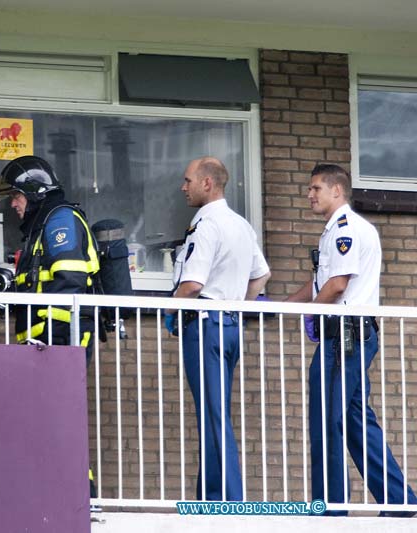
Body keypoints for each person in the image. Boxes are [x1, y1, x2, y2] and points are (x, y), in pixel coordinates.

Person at [286, 163, 417, 516]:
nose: (309, 195)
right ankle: (401, 503)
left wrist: (313, 312)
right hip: (347, 335)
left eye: (316, 188)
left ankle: (329, 510)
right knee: (355, 421)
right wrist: (284, 306)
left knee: (326, 421)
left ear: (337, 191)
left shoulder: (346, 229)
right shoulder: (333, 231)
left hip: (344, 336)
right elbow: (320, 284)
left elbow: (338, 284)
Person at [166, 157, 270, 501]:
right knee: (215, 412)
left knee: (213, 415)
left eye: (188, 180)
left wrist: (172, 310)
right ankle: (210, 497)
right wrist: (238, 306)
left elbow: (193, 283)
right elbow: (261, 275)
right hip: (228, 325)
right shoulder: (240, 224)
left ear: (207, 183)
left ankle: (226, 501)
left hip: (207, 323)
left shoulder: (206, 223)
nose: (184, 187)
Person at [0, 155, 100, 363]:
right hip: (42, 342)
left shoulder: (60, 220)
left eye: (17, 195)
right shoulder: (42, 225)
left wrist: (53, 337)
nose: (13, 203)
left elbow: (69, 279)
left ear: (35, 192)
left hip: (58, 341)